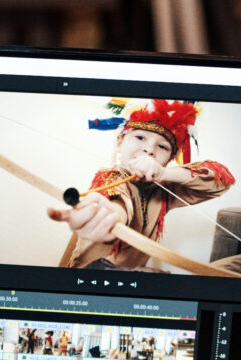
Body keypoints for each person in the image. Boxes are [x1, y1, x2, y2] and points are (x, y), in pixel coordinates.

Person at [47, 99, 235, 271]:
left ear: (170, 159)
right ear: (120, 142)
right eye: (139, 138)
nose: (149, 150)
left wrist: (164, 174)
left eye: (162, 147)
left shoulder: (164, 192)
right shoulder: (110, 177)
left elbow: (221, 181)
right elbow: (117, 202)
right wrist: (109, 215)